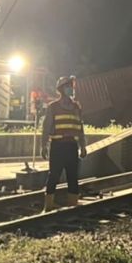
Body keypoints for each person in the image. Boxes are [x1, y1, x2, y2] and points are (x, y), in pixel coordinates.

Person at [41, 75, 86, 211]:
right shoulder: (53, 107)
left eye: (71, 87)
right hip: (58, 145)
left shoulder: (76, 107)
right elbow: (46, 127)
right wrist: (43, 146)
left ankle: (73, 204)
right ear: (61, 89)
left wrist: (83, 146)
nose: (71, 89)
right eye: (68, 87)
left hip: (72, 146)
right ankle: (48, 205)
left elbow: (80, 128)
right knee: (54, 174)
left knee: (73, 175)